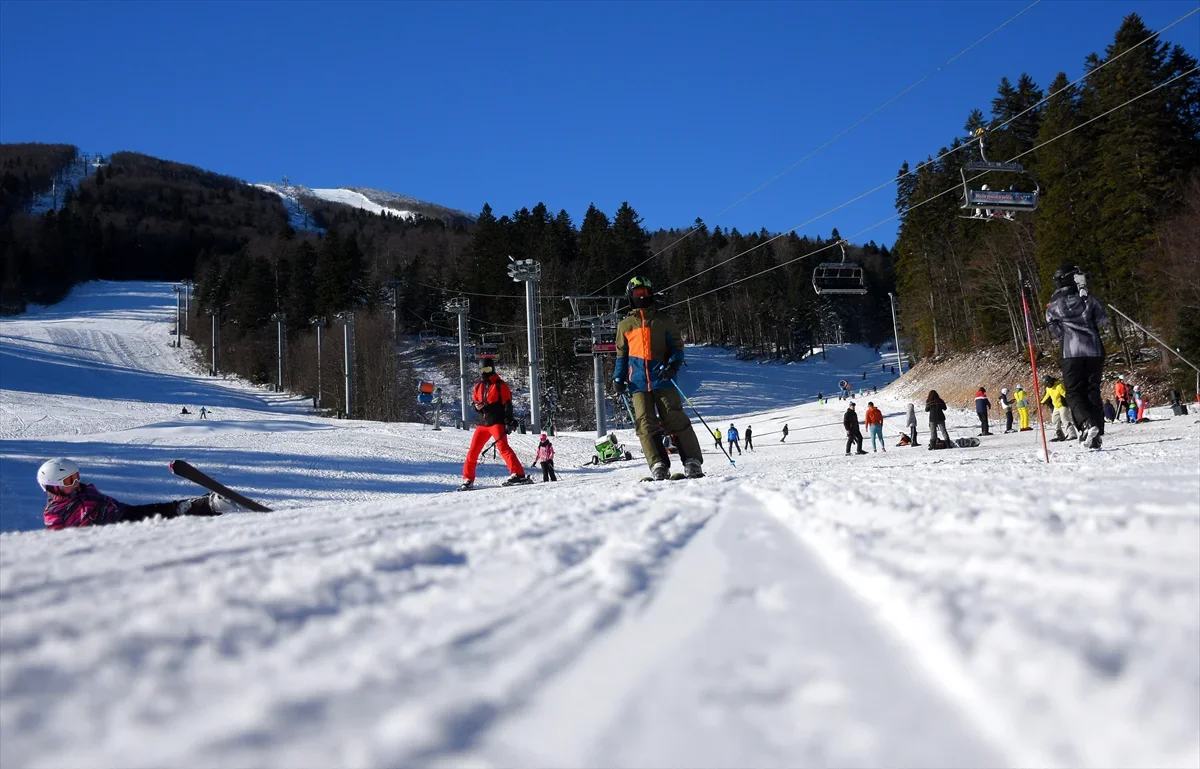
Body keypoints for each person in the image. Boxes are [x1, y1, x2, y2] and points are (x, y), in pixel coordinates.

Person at [613, 276, 704, 480]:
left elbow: (677, 348)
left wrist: (672, 365)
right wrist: (618, 378)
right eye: (638, 294)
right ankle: (658, 464)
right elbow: (621, 356)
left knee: (674, 417)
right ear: (630, 297)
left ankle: (692, 461)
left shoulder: (663, 321)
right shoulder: (625, 326)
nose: (642, 297)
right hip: (637, 382)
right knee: (644, 423)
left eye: (645, 293)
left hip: (663, 378)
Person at [37, 458, 236, 530]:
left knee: (166, 511)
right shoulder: (54, 513)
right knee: (165, 518)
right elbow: (57, 541)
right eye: (70, 481)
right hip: (109, 534)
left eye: (77, 476)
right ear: (53, 487)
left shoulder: (85, 490)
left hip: (122, 515)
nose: (76, 482)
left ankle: (212, 504)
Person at [1046, 264, 1108, 449]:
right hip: (1094, 350)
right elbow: (1102, 321)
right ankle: (1096, 431)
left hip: (1071, 352)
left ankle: (1087, 425)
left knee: (1074, 392)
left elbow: (1055, 331)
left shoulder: (1054, 306)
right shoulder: (1088, 299)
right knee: (1092, 390)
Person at [459, 358, 530, 490]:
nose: (485, 373)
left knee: (503, 447)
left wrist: (509, 422)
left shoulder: (500, 385)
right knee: (473, 451)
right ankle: (468, 479)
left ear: (493, 369)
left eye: (488, 370)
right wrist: (476, 407)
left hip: (496, 422)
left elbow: (507, 405)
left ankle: (518, 474)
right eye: (482, 370)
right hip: (483, 424)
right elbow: (474, 403)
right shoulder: (478, 386)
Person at [1040, 375, 1078, 442]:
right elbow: (1047, 395)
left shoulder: (1059, 386)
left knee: (1065, 419)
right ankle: (1060, 435)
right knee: (1055, 420)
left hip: (1063, 406)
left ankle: (1072, 434)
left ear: (1050, 381)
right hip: (1056, 406)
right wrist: (1041, 402)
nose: (1048, 385)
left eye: (1048, 384)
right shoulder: (1048, 388)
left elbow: (1064, 394)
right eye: (1046, 385)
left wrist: (1070, 400)